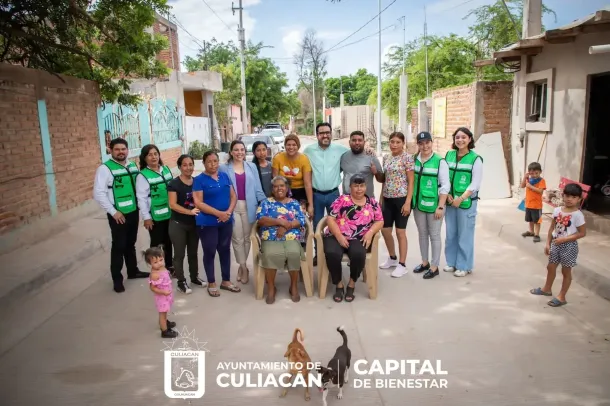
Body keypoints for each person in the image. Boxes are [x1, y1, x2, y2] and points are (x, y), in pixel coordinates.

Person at [93, 138, 148, 293]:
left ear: (127, 150)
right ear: (111, 151)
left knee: (131, 243)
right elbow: (98, 193)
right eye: (117, 149)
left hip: (133, 211)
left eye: (123, 149)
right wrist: (113, 212)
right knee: (119, 246)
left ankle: (133, 271)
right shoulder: (105, 169)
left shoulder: (132, 165)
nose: (120, 152)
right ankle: (117, 280)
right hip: (118, 214)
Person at [323, 174, 384, 302]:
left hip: (359, 238)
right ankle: (339, 284)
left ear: (366, 187)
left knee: (358, 254)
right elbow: (330, 219)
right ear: (350, 187)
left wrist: (370, 232)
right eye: (356, 186)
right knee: (332, 253)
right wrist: (339, 236)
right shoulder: (342, 200)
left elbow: (380, 221)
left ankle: (351, 283)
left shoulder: (372, 203)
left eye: (362, 186)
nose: (359, 189)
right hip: (336, 235)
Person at [192, 151, 241, 297]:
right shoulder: (199, 180)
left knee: (225, 250)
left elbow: (233, 196)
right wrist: (219, 213)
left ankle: (226, 280)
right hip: (208, 222)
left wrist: (228, 213)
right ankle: (211, 282)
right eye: (209, 161)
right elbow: (198, 203)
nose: (213, 164)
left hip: (226, 220)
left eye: (215, 161)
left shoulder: (224, 176)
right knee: (210, 251)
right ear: (204, 163)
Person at [530, 183, 586, 307]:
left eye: (573, 197)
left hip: (569, 246)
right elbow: (552, 228)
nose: (569, 199)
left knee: (566, 272)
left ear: (579, 199)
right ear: (563, 196)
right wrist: (548, 243)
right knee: (550, 267)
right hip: (555, 243)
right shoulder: (557, 210)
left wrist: (565, 239)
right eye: (567, 196)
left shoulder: (578, 215)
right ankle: (546, 289)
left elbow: (582, 233)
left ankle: (562, 297)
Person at [220, 140, 266, 284]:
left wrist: (266, 204)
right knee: (237, 238)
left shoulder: (252, 166)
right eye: (236, 150)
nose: (239, 152)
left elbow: (258, 189)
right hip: (232, 207)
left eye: (242, 149)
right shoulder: (223, 168)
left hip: (250, 206)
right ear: (231, 152)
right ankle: (244, 267)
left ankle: (242, 265)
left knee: (247, 238)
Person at [256, 176, 308, 304]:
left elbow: (301, 219)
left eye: (282, 186)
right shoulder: (266, 202)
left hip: (291, 236)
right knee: (269, 254)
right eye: (275, 186)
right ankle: (271, 288)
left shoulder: (294, 203)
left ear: (287, 188)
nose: (279, 188)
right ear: (272, 189)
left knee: (294, 253)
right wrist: (279, 222)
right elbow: (261, 219)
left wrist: (286, 226)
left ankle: (293, 286)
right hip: (271, 237)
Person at [444, 127, 483, 277]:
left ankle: (464, 265)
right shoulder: (449, 155)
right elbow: (444, 177)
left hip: (466, 203)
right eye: (457, 137)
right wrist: (447, 194)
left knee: (465, 235)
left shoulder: (475, 159)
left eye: (463, 137)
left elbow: (475, 184)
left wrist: (460, 199)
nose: (460, 140)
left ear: (470, 139)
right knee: (451, 234)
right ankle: (452, 262)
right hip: (450, 201)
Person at [410, 132, 450, 280]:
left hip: (434, 206)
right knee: (422, 233)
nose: (424, 146)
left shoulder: (440, 161)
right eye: (421, 143)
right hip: (418, 205)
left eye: (427, 142)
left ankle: (434, 266)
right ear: (418, 145)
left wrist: (440, 206)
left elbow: (445, 185)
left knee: (434, 235)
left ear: (432, 143)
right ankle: (425, 262)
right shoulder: (414, 159)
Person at [303, 123, 349, 246]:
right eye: (322, 133)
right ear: (317, 135)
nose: (325, 135)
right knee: (317, 225)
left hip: (333, 194)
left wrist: (369, 150)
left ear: (331, 134)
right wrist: (309, 204)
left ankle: (333, 251)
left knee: (337, 224)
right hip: (316, 195)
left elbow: (355, 152)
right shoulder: (308, 151)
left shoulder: (340, 149)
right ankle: (319, 252)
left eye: (327, 132)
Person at [168, 154, 206, 294]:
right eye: (184, 165)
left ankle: (194, 277)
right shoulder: (174, 184)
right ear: (179, 167)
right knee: (179, 254)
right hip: (178, 223)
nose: (188, 167)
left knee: (193, 253)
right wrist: (189, 212)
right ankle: (181, 282)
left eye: (190, 164)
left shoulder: (197, 182)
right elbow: (172, 204)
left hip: (194, 224)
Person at [378, 132, 415, 278]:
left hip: (402, 199)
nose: (394, 145)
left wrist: (408, 202)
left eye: (398, 142)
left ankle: (402, 264)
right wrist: (381, 198)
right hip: (387, 199)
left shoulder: (407, 158)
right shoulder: (386, 157)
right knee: (385, 230)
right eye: (392, 142)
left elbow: (411, 181)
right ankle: (392, 258)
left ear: (403, 143)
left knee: (400, 232)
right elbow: (385, 179)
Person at [136, 144, 175, 273]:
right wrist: (146, 217)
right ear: (144, 158)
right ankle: (156, 270)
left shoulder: (166, 169)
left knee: (169, 241)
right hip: (155, 216)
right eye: (150, 155)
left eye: (155, 154)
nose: (153, 157)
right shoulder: (143, 175)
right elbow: (141, 199)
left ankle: (169, 266)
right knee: (157, 244)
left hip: (169, 213)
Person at [272, 134, 313, 216]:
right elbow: (275, 182)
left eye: (294, 145)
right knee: (283, 216)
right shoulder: (277, 158)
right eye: (288, 145)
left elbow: (307, 183)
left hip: (300, 192)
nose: (291, 147)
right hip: (283, 191)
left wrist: (310, 205)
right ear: (285, 146)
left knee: (300, 216)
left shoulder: (304, 159)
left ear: (298, 146)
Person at [144, 246, 178, 338]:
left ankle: (165, 322)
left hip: (166, 294)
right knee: (162, 313)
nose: (159, 263)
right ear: (150, 263)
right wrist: (163, 292)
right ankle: (164, 331)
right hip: (162, 296)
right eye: (155, 262)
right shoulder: (155, 274)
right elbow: (152, 288)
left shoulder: (162, 268)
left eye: (161, 260)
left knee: (165, 311)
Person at [340, 130, 384, 198]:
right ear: (349, 142)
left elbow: (381, 179)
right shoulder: (343, 156)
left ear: (364, 142)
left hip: (366, 200)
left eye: (360, 140)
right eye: (354, 140)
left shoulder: (371, 156)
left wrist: (376, 172)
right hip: (347, 200)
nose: (357, 143)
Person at [520, 162, 547, 243]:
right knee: (530, 220)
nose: (534, 175)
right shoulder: (529, 179)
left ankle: (537, 234)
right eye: (532, 173)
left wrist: (530, 186)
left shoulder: (541, 181)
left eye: (536, 173)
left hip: (536, 205)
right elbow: (522, 186)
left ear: (540, 172)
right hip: (528, 204)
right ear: (529, 173)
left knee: (537, 221)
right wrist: (525, 178)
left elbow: (540, 191)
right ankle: (531, 232)